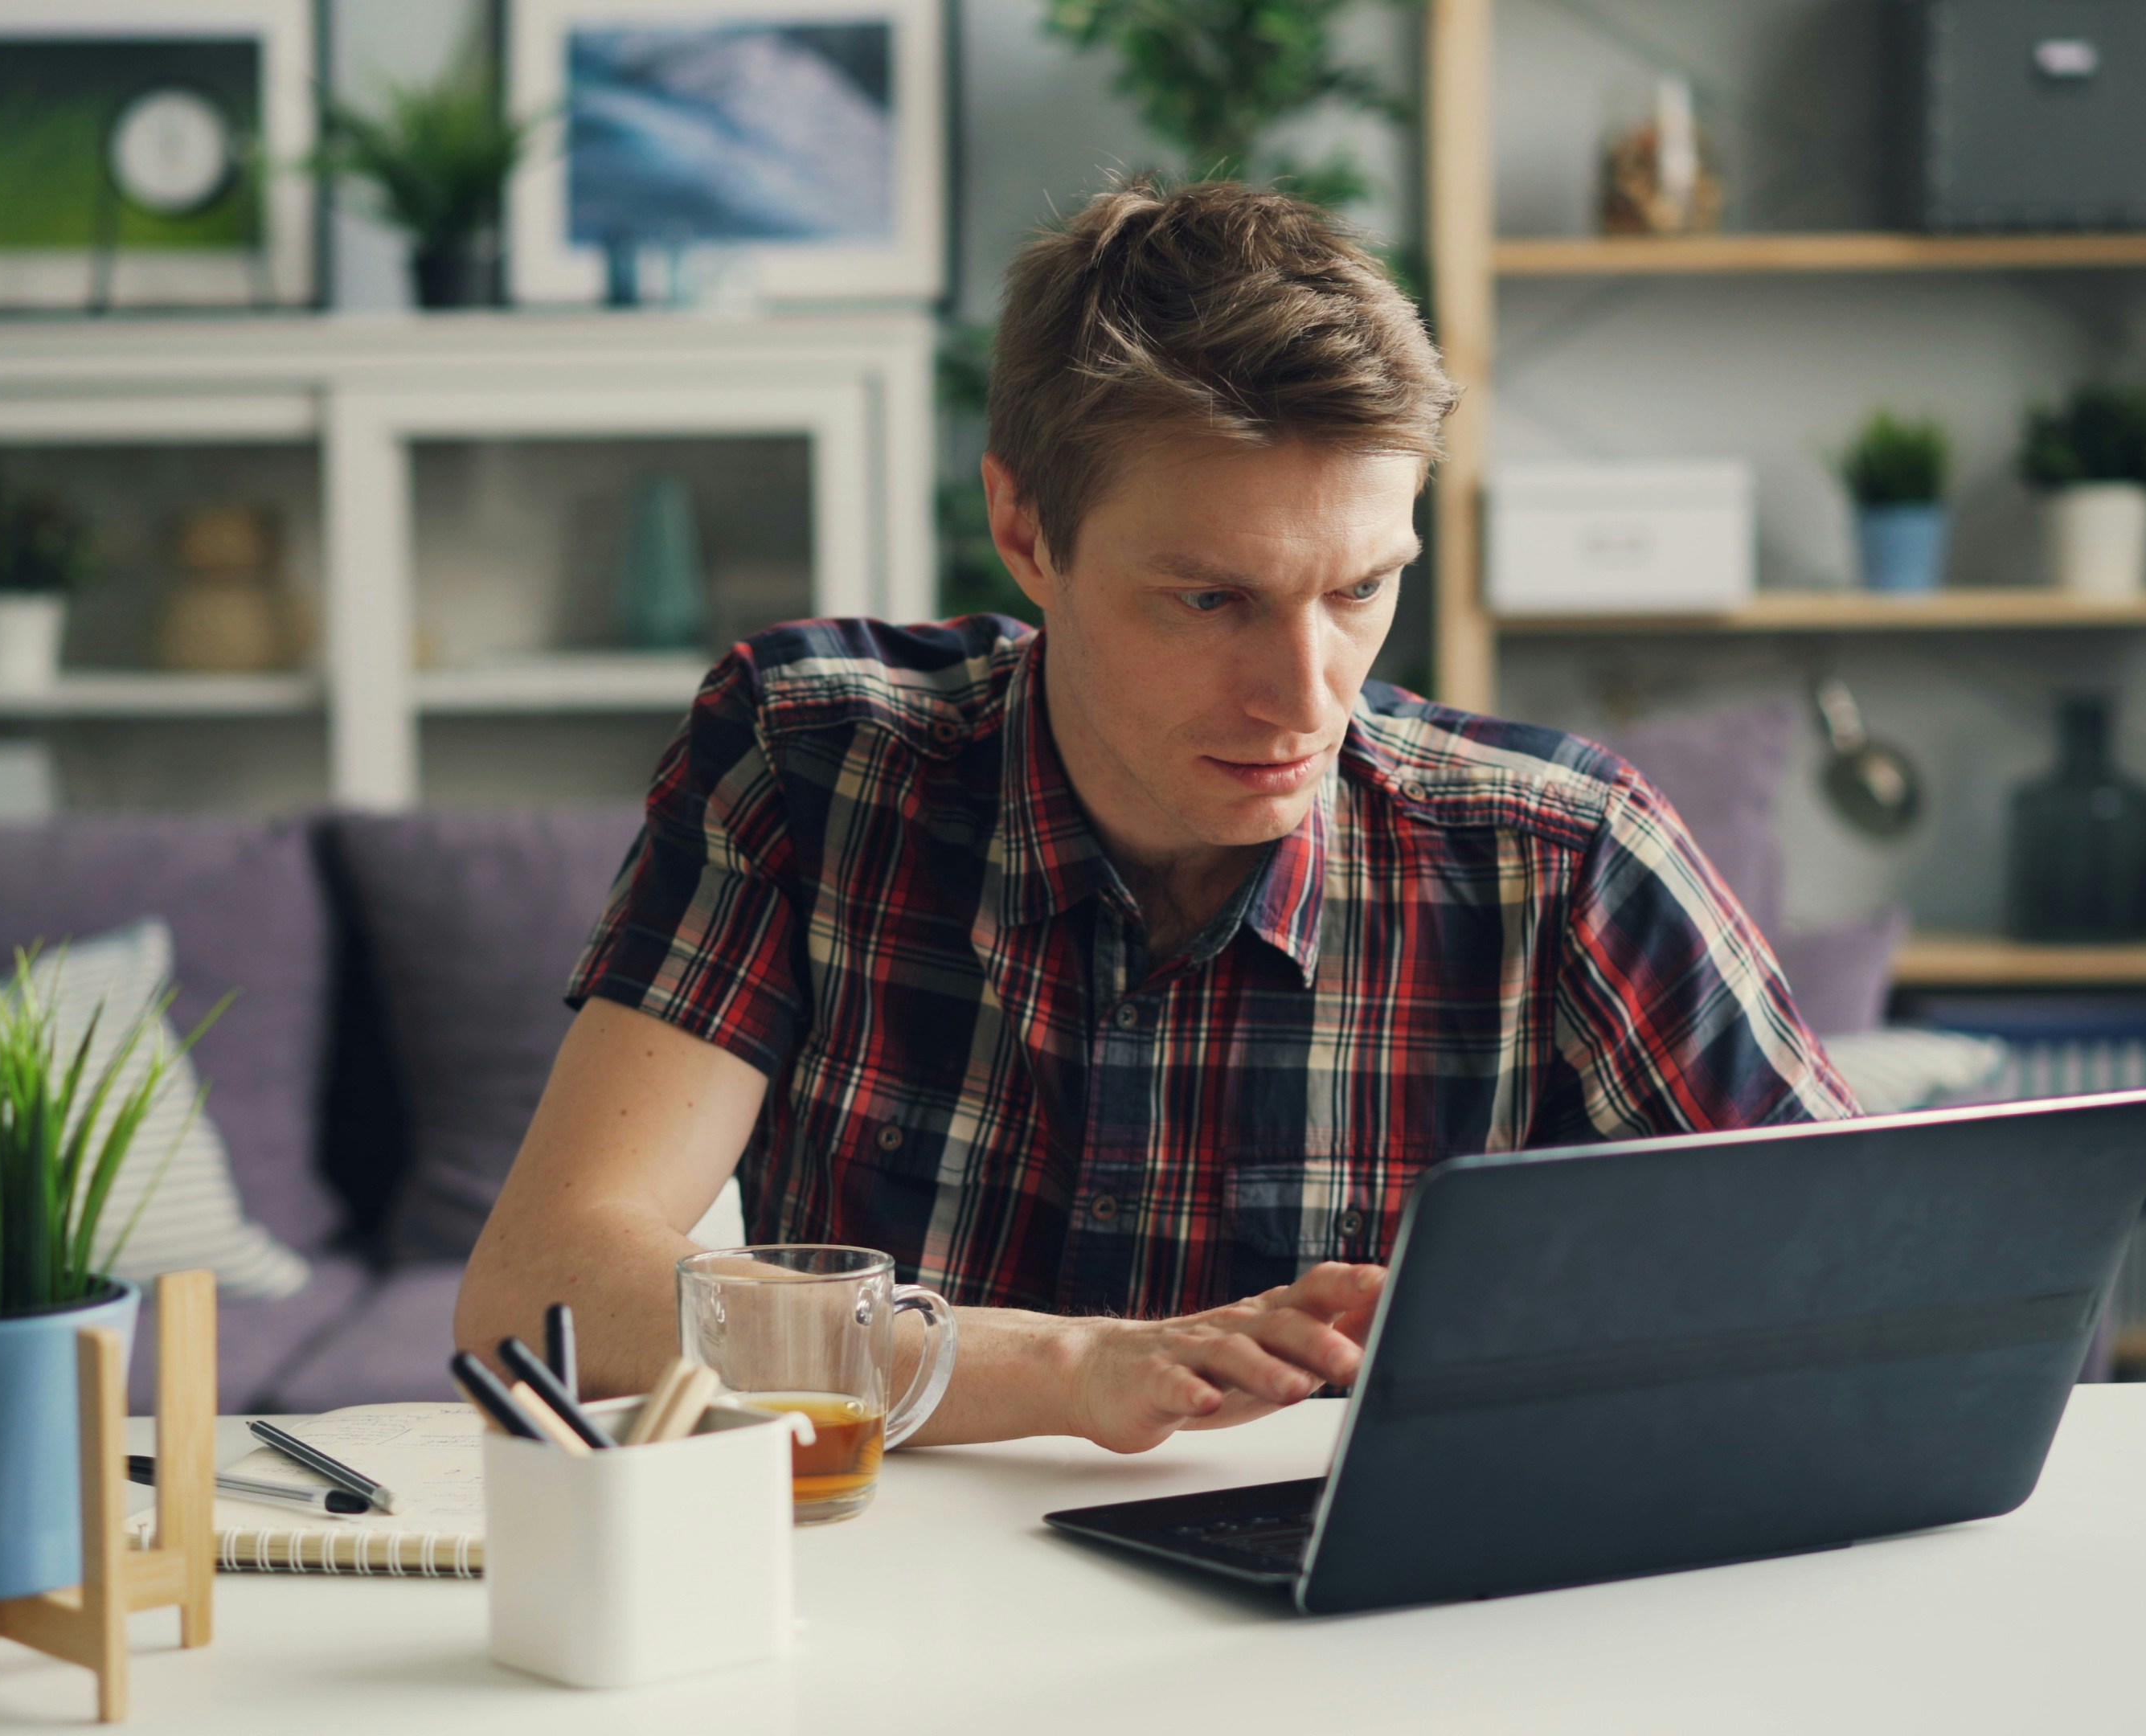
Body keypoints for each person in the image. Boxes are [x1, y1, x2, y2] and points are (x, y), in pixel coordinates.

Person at [456, 178, 1855, 1452]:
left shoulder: (1563, 857)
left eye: (1361, 590)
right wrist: (1072, 1369)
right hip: (896, 1641)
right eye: (1211, 600)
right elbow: (540, 1300)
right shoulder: (812, 760)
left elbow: (1876, 1289)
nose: (1304, 698)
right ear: (1025, 531)